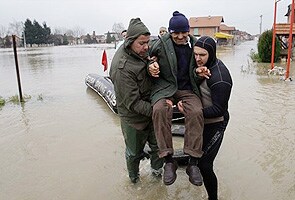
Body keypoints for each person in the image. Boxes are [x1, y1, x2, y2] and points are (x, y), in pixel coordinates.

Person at [148, 11, 204, 186]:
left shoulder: (195, 44)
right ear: (170, 32)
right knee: (159, 110)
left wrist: (201, 71)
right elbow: (147, 57)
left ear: (189, 31)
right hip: (165, 88)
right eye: (175, 33)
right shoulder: (160, 44)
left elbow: (206, 60)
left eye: (183, 32)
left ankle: (193, 162)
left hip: (187, 89)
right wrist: (151, 65)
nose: (180, 36)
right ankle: (168, 160)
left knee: (196, 112)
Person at [109, 18, 163, 184]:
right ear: (130, 41)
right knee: (133, 153)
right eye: (142, 43)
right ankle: (134, 180)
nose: (146, 47)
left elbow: (150, 56)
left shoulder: (141, 51)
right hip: (133, 118)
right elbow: (133, 103)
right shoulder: (121, 67)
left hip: (150, 108)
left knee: (158, 147)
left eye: (148, 42)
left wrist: (151, 64)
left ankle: (156, 174)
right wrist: (159, 111)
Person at [186, 36, 233, 200]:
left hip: (216, 124)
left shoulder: (220, 77)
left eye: (202, 55)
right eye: (195, 54)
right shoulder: (199, 66)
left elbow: (219, 110)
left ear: (211, 54)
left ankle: (213, 198)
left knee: (205, 164)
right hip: (201, 120)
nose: (198, 59)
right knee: (197, 160)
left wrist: (190, 112)